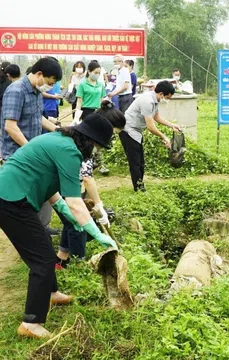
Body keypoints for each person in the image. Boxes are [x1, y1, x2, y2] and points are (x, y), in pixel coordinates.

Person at [0, 115, 117, 339]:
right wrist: (95, 232)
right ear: (90, 141)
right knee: (42, 261)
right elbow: (75, 202)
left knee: (44, 247)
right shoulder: (70, 152)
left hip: (12, 195)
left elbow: (50, 186)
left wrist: (66, 214)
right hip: (11, 200)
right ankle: (31, 323)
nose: (97, 152)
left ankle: (51, 293)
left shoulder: (58, 141)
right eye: (99, 146)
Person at [56, 101, 126, 269]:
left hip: (68, 184)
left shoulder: (87, 135)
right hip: (63, 184)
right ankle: (78, 266)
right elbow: (87, 178)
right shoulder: (85, 140)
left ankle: (61, 260)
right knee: (77, 223)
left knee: (70, 221)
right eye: (114, 133)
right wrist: (99, 205)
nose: (113, 137)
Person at [0, 58, 64, 235]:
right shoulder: (16, 91)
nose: (49, 87)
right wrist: (32, 149)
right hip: (17, 154)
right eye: (49, 82)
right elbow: (10, 127)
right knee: (22, 197)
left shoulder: (36, 91)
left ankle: (42, 228)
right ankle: (27, 234)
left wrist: (58, 130)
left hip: (32, 151)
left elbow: (38, 117)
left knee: (42, 187)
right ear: (39, 74)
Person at [119, 80, 180, 192]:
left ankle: (140, 186)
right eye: (167, 98)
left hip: (136, 131)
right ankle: (138, 189)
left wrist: (172, 125)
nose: (167, 100)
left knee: (141, 162)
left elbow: (156, 117)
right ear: (161, 93)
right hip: (128, 130)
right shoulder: (147, 101)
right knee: (136, 163)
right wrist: (164, 137)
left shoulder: (154, 100)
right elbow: (150, 126)